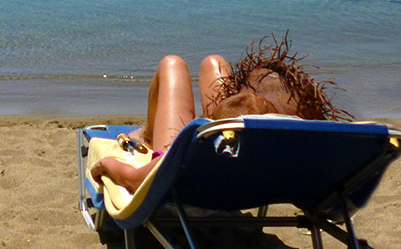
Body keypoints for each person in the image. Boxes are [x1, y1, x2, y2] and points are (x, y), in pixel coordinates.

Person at [90, 34, 346, 192]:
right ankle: (152, 131)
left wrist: (105, 165)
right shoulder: (305, 145)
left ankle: (148, 134)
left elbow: (135, 179)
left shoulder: (189, 152)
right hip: (257, 175)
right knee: (215, 63)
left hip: (192, 172)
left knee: (172, 64)